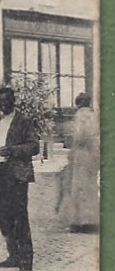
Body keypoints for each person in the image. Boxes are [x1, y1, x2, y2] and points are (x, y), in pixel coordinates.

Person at [0, 85, 39, 271]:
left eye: (6, 101)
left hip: (16, 174)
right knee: (4, 216)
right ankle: (13, 255)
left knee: (19, 216)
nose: (3, 104)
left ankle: (26, 258)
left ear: (13, 101)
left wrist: (12, 150)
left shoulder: (23, 121)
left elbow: (34, 146)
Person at [57, 93, 99, 233]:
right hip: (92, 153)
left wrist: (72, 147)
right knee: (90, 186)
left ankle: (80, 221)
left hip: (82, 153)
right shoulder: (93, 115)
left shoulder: (80, 116)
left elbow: (80, 136)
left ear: (78, 103)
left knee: (78, 186)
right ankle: (91, 219)